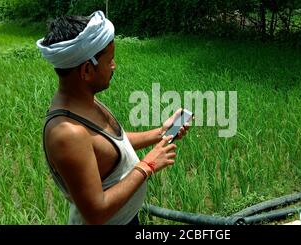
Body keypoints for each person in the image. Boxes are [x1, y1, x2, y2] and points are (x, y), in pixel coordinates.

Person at [37, 10, 189, 225]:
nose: (114, 66)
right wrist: (148, 165)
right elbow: (96, 213)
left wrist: (161, 133)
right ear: (87, 70)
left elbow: (109, 147)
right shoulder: (67, 133)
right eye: (109, 60)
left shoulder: (84, 101)